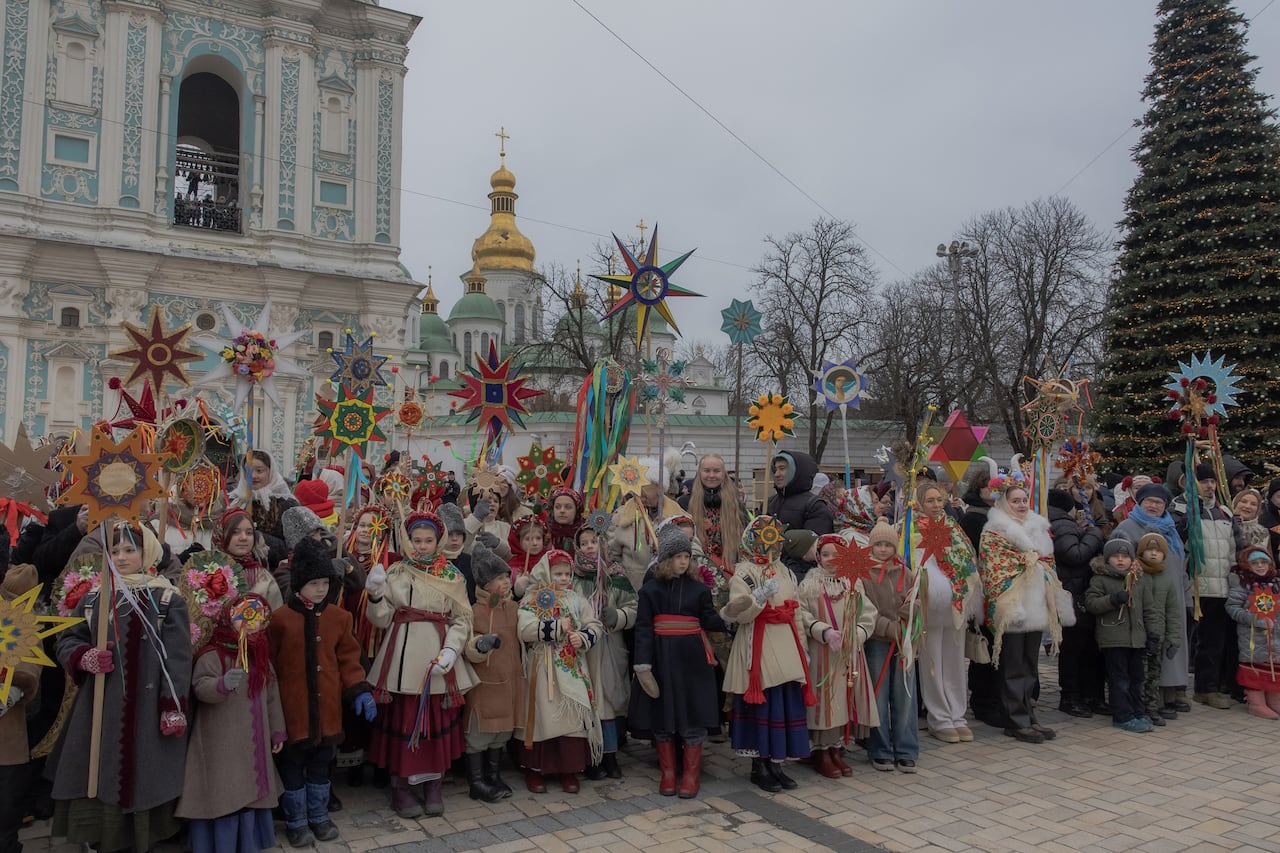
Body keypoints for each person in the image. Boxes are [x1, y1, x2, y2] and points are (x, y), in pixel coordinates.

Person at [48, 523, 192, 853]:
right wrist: (84, 657)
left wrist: (173, 704)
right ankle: (101, 835)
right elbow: (69, 639)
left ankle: (143, 836)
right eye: (114, 551)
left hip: (147, 706)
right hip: (101, 704)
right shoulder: (95, 595)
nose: (121, 557)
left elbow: (179, 658)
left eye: (130, 550)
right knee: (100, 769)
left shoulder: (167, 598)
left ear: (148, 553)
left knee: (143, 773)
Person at [365, 511, 474, 819]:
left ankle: (433, 786)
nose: (423, 546)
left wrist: (452, 650)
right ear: (408, 541)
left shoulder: (452, 575)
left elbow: (462, 618)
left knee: (435, 722)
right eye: (417, 540)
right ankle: (400, 788)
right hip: (401, 656)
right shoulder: (397, 572)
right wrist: (375, 596)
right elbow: (382, 619)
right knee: (406, 719)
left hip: (439, 654)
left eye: (428, 541)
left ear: (438, 541)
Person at [268, 535, 374, 847]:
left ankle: (318, 815)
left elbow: (349, 658)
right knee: (293, 767)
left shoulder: (339, 618)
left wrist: (358, 689)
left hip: (328, 711)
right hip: (293, 711)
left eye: (325, 582)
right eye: (314, 583)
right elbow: (271, 663)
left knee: (320, 765)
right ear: (299, 582)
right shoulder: (280, 620)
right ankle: (296, 820)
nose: (320, 589)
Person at [722, 516, 835, 793]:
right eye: (764, 540)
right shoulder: (744, 573)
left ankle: (777, 762)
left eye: (773, 541)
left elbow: (794, 609)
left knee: (783, 703)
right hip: (758, 645)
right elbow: (740, 615)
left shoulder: (783, 570)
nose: (769, 548)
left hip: (785, 644)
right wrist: (758, 598)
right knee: (763, 703)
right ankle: (759, 765)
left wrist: (802, 648)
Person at [176, 592, 284, 853]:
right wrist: (221, 685)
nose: (250, 623)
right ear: (228, 618)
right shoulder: (213, 654)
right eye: (243, 616)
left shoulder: (261, 657)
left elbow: (271, 696)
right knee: (224, 792)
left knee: (252, 792)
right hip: (221, 743)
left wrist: (277, 731)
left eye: (257, 618)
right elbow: (200, 687)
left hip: (253, 741)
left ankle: (248, 843)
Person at [629, 526, 725, 798]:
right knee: (663, 716)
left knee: (692, 714)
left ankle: (691, 775)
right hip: (661, 659)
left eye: (687, 556)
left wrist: (730, 614)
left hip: (693, 660)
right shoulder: (650, 591)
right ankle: (669, 773)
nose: (684, 561)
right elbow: (644, 629)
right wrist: (643, 665)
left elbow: (709, 620)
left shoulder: (699, 591)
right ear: (666, 559)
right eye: (678, 556)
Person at [978, 476, 1068, 744]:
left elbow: (1048, 560)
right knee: (1013, 664)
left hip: (1037, 602)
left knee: (1030, 663)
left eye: (1023, 500)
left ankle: (1028, 714)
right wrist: (1029, 561)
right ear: (1004, 503)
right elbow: (994, 567)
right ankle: (1015, 719)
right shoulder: (994, 531)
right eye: (1014, 500)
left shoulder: (1036, 528)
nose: (1020, 505)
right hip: (1012, 604)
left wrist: (1037, 564)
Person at [516, 549, 603, 794]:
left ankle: (569, 769)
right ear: (546, 572)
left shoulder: (577, 599)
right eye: (558, 573)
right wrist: (553, 627)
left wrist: (584, 637)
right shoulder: (532, 597)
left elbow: (595, 624)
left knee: (573, 718)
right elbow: (523, 628)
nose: (564, 578)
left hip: (572, 665)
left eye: (567, 573)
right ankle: (536, 771)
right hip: (543, 666)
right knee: (544, 716)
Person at [798, 533, 876, 778]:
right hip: (822, 653)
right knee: (825, 702)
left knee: (844, 698)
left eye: (836, 554)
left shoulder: (853, 583)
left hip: (848, 652)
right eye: (826, 554)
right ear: (818, 557)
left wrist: (857, 634)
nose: (831, 559)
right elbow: (802, 615)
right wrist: (823, 632)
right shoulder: (809, 585)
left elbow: (868, 614)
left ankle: (837, 749)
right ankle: (821, 751)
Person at [1112, 482, 1191, 715]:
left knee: (1173, 642)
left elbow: (1180, 561)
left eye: (1159, 502)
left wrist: (1186, 596)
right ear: (1140, 502)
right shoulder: (1128, 526)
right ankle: (1152, 697)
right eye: (1150, 501)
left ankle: (1172, 690)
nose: (1154, 506)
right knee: (1152, 647)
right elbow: (1120, 560)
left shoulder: (1170, 528)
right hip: (1146, 597)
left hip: (1172, 595)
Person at [915, 481, 982, 743]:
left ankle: (957, 714)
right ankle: (939, 717)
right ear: (920, 502)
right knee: (932, 664)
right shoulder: (911, 526)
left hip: (955, 604)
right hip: (931, 606)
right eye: (930, 500)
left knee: (954, 662)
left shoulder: (952, 526)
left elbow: (966, 557)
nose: (935, 505)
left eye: (939, 500)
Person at [1172, 463, 1242, 709]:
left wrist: (1235, 578)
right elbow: (1177, 541)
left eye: (1212, 481)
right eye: (1204, 482)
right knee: (1188, 640)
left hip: (1221, 585)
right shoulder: (1181, 508)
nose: (1209, 486)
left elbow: (1236, 548)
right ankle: (1180, 689)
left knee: (1214, 641)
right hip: (1195, 587)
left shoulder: (1225, 512)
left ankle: (1206, 688)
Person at [571, 521, 635, 781]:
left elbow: (633, 607)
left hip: (609, 645)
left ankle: (610, 755)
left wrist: (618, 615)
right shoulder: (571, 575)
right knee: (588, 702)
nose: (589, 547)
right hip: (583, 648)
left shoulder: (615, 573)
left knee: (607, 704)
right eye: (584, 543)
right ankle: (590, 758)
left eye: (594, 542)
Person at [461, 546, 523, 802]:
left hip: (509, 681)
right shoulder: (473, 611)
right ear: (486, 583)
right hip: (485, 684)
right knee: (479, 733)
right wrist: (479, 645)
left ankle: (493, 775)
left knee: (500, 733)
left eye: (508, 577)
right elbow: (467, 645)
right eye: (500, 578)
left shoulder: (514, 608)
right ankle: (476, 782)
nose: (507, 582)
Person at [861, 521, 921, 772]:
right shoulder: (864, 574)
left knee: (905, 694)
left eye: (888, 545)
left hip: (903, 640)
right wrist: (888, 627)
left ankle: (906, 748)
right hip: (878, 640)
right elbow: (864, 609)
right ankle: (880, 747)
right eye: (879, 545)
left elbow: (916, 598)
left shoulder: (904, 571)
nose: (884, 550)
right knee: (878, 694)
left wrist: (911, 611)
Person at [1086, 539, 1159, 733]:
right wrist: (1113, 599)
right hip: (1114, 638)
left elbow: (1150, 609)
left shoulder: (1139, 580)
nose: (1120, 560)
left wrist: (1153, 635)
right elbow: (1092, 604)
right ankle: (1123, 715)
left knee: (1137, 678)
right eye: (1116, 557)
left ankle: (1138, 711)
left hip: (1137, 639)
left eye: (1125, 556)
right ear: (1107, 559)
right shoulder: (1100, 579)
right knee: (1120, 679)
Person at [1047, 487, 1105, 718]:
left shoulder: (1057, 523)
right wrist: (1093, 534)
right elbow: (1075, 554)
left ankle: (1086, 695)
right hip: (1073, 593)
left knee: (1084, 648)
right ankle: (1072, 696)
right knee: (1075, 649)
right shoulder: (1061, 524)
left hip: (1077, 592)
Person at [0, 564, 41, 853]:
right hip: (9, 748)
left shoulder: (25, 627)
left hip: (8, 743)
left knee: (5, 820)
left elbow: (25, 675)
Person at [608, 456, 683, 593]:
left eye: (644, 487)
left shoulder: (679, 516)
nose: (639, 493)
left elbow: (693, 550)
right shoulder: (621, 517)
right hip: (632, 592)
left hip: (670, 589)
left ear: (660, 487)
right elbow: (611, 554)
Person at [1136, 533, 1184, 726]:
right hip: (1138, 635)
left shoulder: (1166, 579)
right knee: (1139, 674)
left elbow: (1173, 612)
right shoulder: (1136, 574)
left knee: (1154, 675)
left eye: (1158, 551)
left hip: (1159, 635)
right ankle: (1137, 708)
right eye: (1150, 550)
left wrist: (1174, 638)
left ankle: (1151, 707)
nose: (1154, 554)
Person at [1225, 548, 1280, 719]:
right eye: (1255, 563)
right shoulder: (1242, 584)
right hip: (1253, 637)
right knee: (1254, 668)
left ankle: (1274, 699)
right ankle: (1256, 702)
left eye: (1264, 562)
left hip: (1275, 635)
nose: (1260, 566)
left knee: (1274, 666)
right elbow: (1232, 607)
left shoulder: (1275, 584)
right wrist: (1254, 619)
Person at [767, 451, 833, 581]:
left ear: (797, 471)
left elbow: (816, 549)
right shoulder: (770, 502)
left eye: (782, 468)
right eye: (775, 469)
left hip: (802, 579)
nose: (777, 474)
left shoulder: (815, 505)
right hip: (769, 574)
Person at [232, 450, 299, 565]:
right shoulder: (238, 501)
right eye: (249, 471)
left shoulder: (286, 504)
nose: (253, 476)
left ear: (270, 471)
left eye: (259, 471)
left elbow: (293, 547)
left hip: (275, 572)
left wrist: (257, 537)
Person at [214, 508, 284, 611]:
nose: (243, 538)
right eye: (235, 532)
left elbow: (276, 619)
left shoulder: (263, 577)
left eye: (249, 533)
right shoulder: (205, 574)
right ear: (221, 535)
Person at [546, 486, 585, 553]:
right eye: (557, 507)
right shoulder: (545, 533)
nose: (562, 510)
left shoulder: (584, 534)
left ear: (576, 510)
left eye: (568, 507)